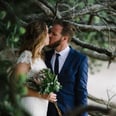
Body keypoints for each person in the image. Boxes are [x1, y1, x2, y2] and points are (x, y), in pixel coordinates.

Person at [45, 20, 88, 116]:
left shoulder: (80, 59)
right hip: (44, 111)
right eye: (50, 32)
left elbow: (81, 91)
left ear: (64, 38)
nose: (49, 35)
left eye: (54, 34)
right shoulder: (44, 56)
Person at [15, 20, 57, 116]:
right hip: (29, 106)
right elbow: (16, 86)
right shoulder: (27, 55)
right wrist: (42, 95)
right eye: (47, 32)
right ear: (40, 35)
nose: (50, 35)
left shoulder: (38, 57)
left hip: (39, 107)